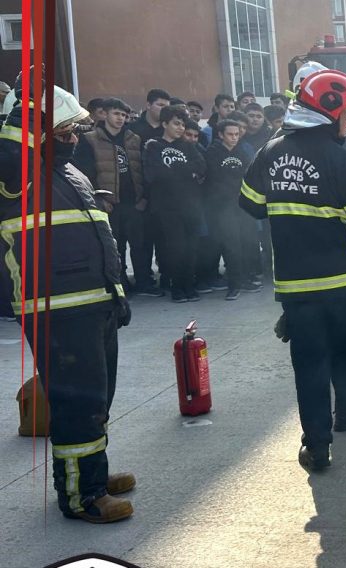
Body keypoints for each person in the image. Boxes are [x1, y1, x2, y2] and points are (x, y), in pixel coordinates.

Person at [240, 69, 346, 471]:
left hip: (296, 285)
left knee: (309, 364)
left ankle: (317, 445)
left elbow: (250, 204)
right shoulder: (345, 162)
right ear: (330, 113)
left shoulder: (269, 152)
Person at [0, 85, 135, 523]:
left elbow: (98, 236)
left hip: (94, 304)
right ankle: (81, 497)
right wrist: (26, 111)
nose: (73, 136)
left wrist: (115, 294)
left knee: (97, 398)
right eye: (63, 129)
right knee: (77, 402)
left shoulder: (68, 173)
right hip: (55, 309)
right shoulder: (13, 176)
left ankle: (92, 474)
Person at [73, 97, 161, 297]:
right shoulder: (90, 139)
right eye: (116, 113)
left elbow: (143, 170)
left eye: (124, 115)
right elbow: (85, 173)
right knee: (114, 247)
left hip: (134, 203)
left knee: (141, 246)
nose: (120, 118)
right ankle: (119, 285)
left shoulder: (134, 138)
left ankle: (144, 282)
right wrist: (99, 198)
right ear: (104, 114)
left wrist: (143, 198)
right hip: (109, 205)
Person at [143, 105, 206, 301]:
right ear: (164, 123)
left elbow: (202, 166)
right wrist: (187, 172)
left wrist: (178, 170)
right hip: (167, 207)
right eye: (176, 123)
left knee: (191, 247)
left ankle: (189, 285)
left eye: (183, 124)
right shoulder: (153, 145)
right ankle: (177, 287)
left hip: (191, 205)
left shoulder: (188, 145)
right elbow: (155, 174)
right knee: (175, 247)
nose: (180, 128)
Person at [204, 119, 261, 299]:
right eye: (230, 134)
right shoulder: (212, 153)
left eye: (237, 134)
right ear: (220, 135)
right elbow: (215, 180)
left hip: (241, 206)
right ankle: (234, 284)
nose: (234, 138)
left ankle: (244, 278)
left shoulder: (242, 153)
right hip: (221, 208)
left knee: (245, 242)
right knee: (231, 245)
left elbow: (248, 175)